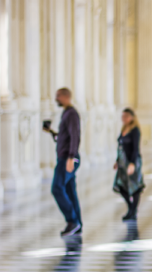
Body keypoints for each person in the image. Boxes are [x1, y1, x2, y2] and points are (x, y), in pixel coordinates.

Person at [43, 87, 82, 236]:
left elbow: (75, 136)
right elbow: (65, 137)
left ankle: (72, 221)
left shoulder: (71, 113)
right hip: (66, 156)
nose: (56, 99)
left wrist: (71, 157)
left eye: (58, 96)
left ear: (66, 96)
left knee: (57, 188)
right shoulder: (67, 113)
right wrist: (52, 132)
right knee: (70, 190)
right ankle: (77, 223)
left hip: (67, 158)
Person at [113, 108, 144, 221]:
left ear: (131, 117)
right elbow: (120, 147)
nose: (124, 118)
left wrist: (132, 163)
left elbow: (135, 148)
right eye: (123, 116)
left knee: (135, 186)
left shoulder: (135, 130)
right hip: (122, 162)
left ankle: (133, 211)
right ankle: (131, 208)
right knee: (121, 186)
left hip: (132, 161)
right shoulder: (123, 129)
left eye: (126, 116)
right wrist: (117, 161)